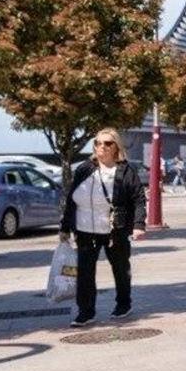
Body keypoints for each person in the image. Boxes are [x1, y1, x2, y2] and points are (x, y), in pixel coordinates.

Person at [60, 128, 147, 327]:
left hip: (114, 229)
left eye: (108, 143)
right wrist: (65, 227)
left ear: (116, 147)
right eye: (98, 143)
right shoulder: (84, 169)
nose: (102, 147)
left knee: (121, 268)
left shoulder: (125, 170)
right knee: (85, 273)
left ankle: (123, 304)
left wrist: (138, 225)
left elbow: (138, 199)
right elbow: (72, 199)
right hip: (85, 229)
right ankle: (85, 312)